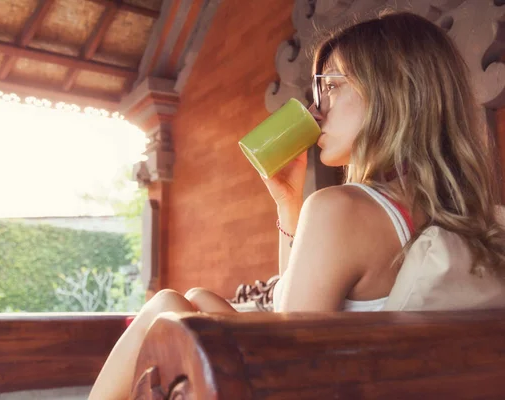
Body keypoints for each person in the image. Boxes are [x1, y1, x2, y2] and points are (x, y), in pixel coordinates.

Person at [89, 10, 505, 399]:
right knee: (193, 300)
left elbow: (285, 355)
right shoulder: (455, 218)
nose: (315, 109)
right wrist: (289, 205)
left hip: (296, 383)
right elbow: (296, 320)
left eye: (332, 86)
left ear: (391, 91)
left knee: (166, 306)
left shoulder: (341, 208)